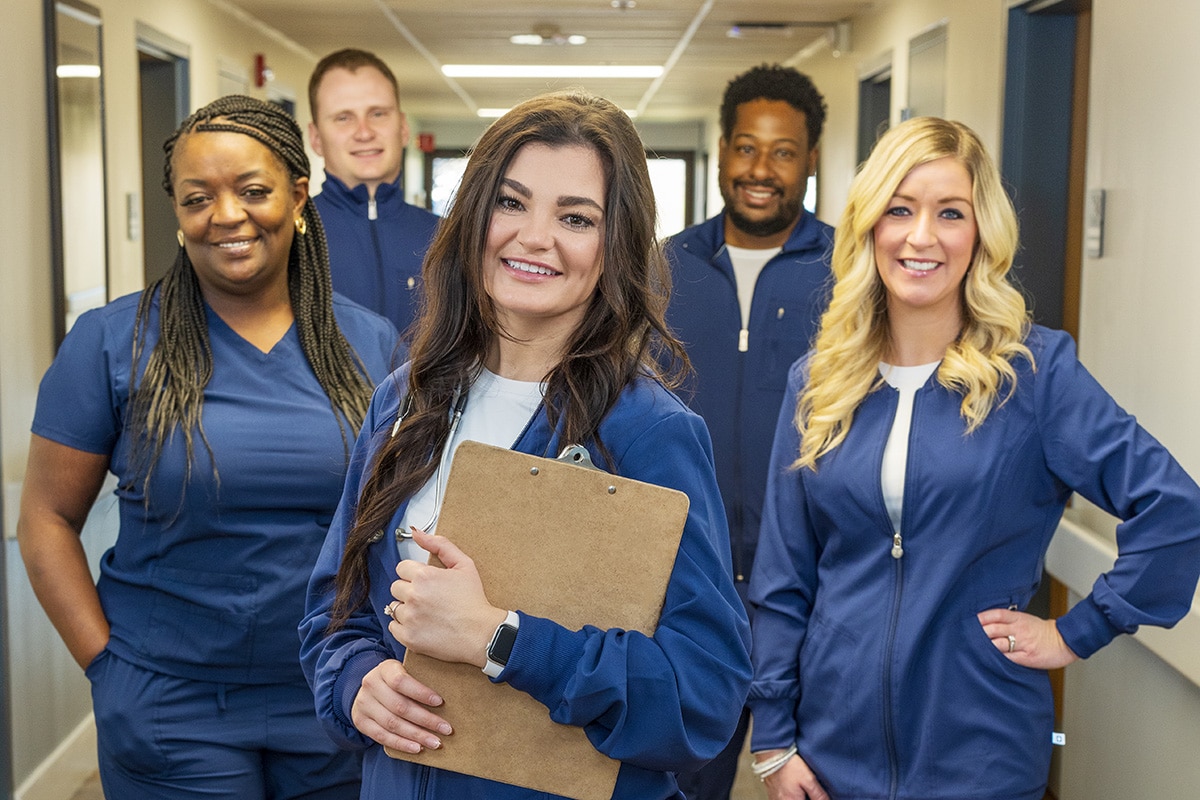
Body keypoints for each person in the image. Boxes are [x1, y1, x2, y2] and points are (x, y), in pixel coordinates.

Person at [299, 91, 752, 799]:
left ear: (614, 247)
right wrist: (355, 681)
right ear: (475, 216)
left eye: (576, 217)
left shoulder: (647, 434)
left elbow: (704, 695)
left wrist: (501, 638)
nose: (534, 237)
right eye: (511, 203)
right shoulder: (405, 400)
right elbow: (334, 611)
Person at [747, 116, 1200, 800]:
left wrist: (1079, 630)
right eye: (899, 210)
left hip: (982, 751)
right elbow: (784, 576)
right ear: (870, 225)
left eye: (949, 213)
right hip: (832, 747)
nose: (921, 236)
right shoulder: (819, 382)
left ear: (980, 233)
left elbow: (1174, 507)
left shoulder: (1036, 375)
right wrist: (775, 738)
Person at [17, 95, 399, 798]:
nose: (226, 215)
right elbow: (45, 519)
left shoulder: (369, 344)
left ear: (297, 195)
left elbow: (395, 523)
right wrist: (106, 667)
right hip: (171, 702)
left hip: (329, 694)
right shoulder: (112, 342)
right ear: (178, 211)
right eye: (199, 197)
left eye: (252, 191)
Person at [663, 63, 832, 800]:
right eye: (746, 148)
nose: (761, 170)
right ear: (724, 150)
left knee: (813, 782)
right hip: (680, 588)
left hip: (810, 596)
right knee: (675, 783)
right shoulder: (660, 267)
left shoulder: (852, 271)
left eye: (784, 151)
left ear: (811, 160)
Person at [308, 47, 440, 335]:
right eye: (343, 118)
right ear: (316, 138)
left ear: (403, 128)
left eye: (378, 114)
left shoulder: (447, 238)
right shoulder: (289, 237)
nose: (364, 132)